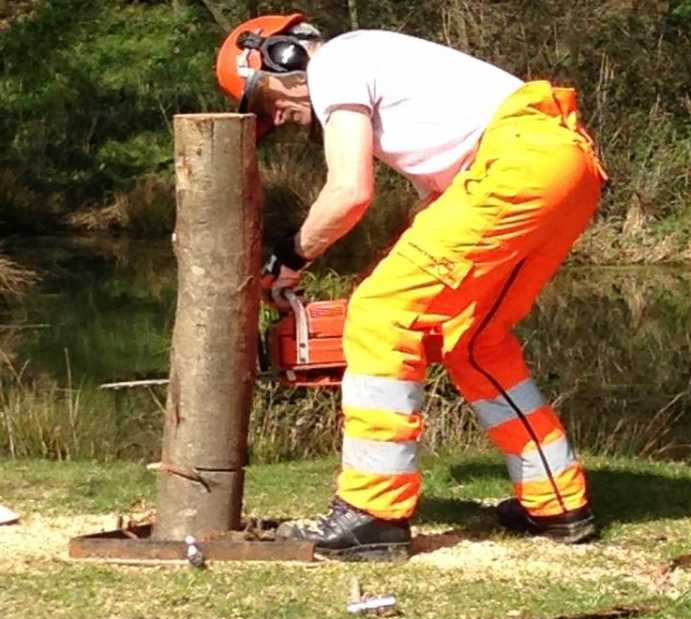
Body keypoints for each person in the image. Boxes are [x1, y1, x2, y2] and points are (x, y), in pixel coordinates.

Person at [216, 14, 608, 560]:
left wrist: (289, 254)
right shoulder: (392, 78)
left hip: (519, 164)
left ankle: (372, 514)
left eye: (265, 101)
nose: (276, 118)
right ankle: (556, 502)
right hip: (563, 163)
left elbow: (350, 190)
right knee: (473, 339)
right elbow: (447, 208)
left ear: (284, 56)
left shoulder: (336, 63)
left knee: (377, 313)